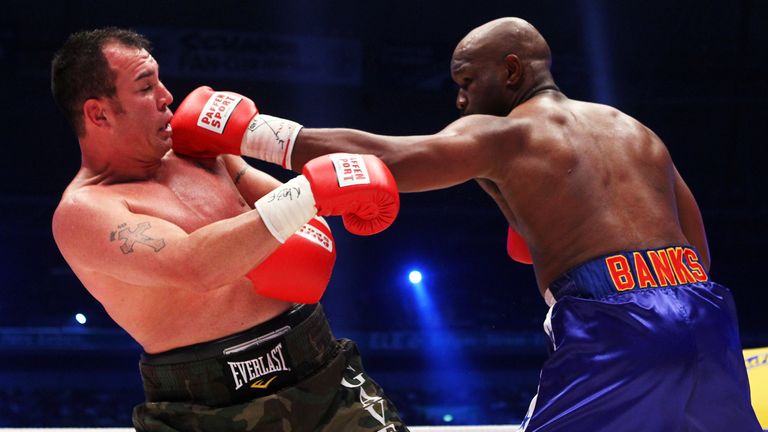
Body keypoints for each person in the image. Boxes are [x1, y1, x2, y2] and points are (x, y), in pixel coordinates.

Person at [170, 17, 762, 432]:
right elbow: (696, 244)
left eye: (466, 82)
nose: (459, 101)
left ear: (511, 71)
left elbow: (387, 159)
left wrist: (251, 131)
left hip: (615, 325)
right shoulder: (635, 130)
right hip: (704, 311)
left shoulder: (506, 133)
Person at [50, 27, 409, 432]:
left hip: (321, 367)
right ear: (99, 113)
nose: (167, 96)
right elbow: (196, 266)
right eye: (146, 87)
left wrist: (255, 138)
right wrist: (310, 189)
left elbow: (308, 223)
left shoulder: (199, 152)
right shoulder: (86, 211)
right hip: (207, 409)